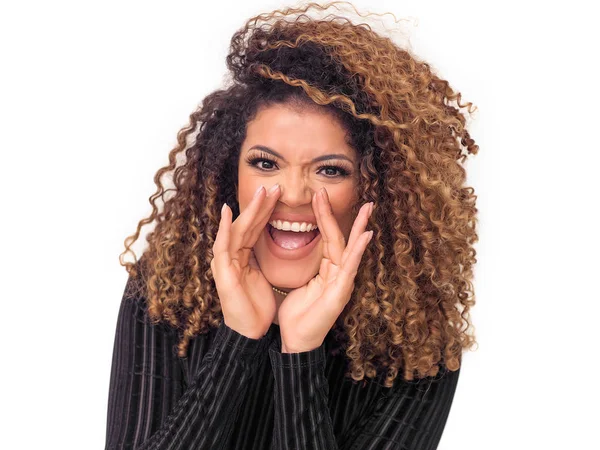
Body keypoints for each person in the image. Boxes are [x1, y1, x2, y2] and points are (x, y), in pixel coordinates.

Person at [104, 2, 479, 449]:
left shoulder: (417, 341)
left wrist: (300, 353)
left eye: (330, 171)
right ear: (231, 175)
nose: (295, 194)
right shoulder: (167, 291)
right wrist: (239, 337)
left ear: (374, 189)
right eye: (266, 163)